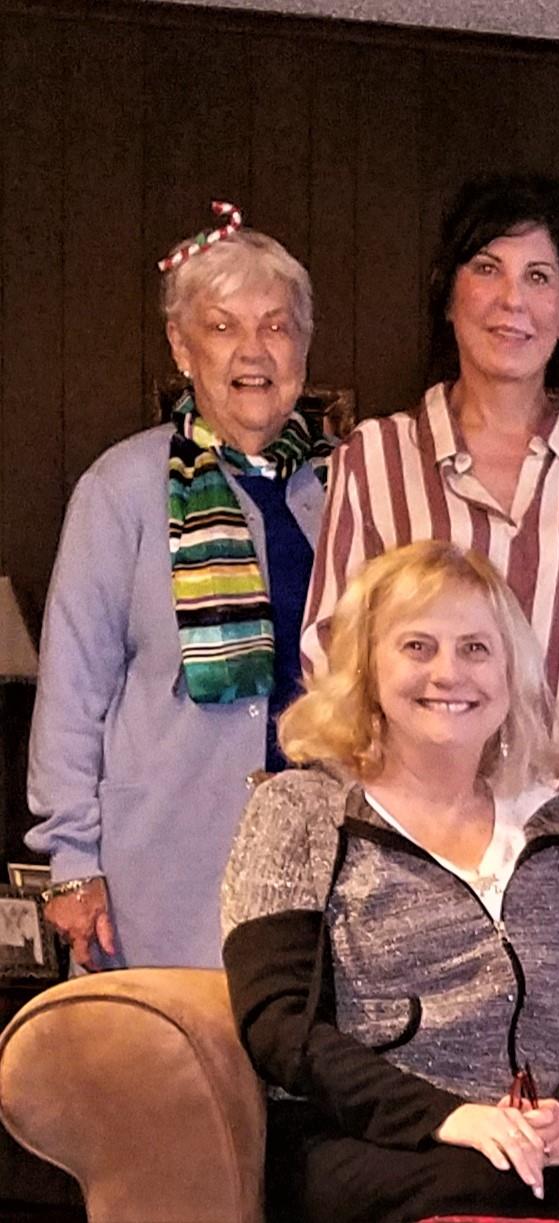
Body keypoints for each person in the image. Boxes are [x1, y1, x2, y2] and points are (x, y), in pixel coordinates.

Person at [222, 542, 559, 1223]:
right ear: (368, 665)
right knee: (497, 1186)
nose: (448, 672)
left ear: (510, 669)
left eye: (475, 649)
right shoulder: (302, 811)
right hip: (368, 1143)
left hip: (542, 1151)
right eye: (417, 645)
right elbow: (278, 1023)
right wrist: (450, 1118)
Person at [305, 173, 559, 814]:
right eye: (486, 269)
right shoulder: (374, 457)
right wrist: (411, 801)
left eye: (538, 277)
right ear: (448, 297)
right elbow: (330, 647)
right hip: (407, 830)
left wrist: (554, 809)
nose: (512, 300)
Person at [27, 210, 329, 969]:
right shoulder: (121, 488)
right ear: (182, 347)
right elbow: (72, 691)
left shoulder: (348, 489)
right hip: (161, 883)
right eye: (223, 327)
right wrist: (72, 861)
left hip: (326, 875)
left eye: (277, 326)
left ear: (303, 346)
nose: (253, 351)